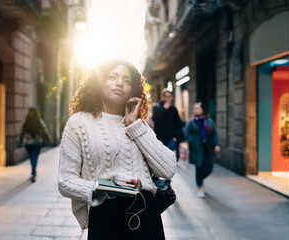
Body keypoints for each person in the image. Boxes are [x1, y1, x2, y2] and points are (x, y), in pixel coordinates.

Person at [58, 59, 176, 240]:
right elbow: (65, 181)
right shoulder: (79, 123)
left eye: (127, 81)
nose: (120, 83)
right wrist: (105, 188)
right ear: (100, 82)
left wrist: (135, 126)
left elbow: (168, 168)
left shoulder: (138, 124)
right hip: (106, 217)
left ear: (133, 90)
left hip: (145, 214)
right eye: (112, 77)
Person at [185, 102, 220, 197]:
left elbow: (214, 133)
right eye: (194, 108)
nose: (195, 110)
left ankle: (200, 179)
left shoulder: (208, 121)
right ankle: (200, 187)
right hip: (197, 149)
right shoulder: (192, 122)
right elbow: (187, 133)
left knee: (209, 168)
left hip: (208, 148)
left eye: (197, 108)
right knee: (199, 168)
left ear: (202, 110)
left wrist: (216, 144)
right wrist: (193, 142)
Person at [19, 107, 50, 183]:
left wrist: (20, 142)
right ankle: (33, 173)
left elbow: (21, 133)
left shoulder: (26, 123)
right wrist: (48, 139)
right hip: (37, 143)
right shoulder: (39, 122)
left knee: (32, 158)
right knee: (34, 158)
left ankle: (33, 172)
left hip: (28, 143)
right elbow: (45, 131)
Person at [152, 88, 184, 161]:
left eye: (170, 96)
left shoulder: (173, 109)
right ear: (162, 97)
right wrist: (164, 109)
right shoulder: (157, 107)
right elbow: (155, 120)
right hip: (160, 138)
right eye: (166, 96)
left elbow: (178, 123)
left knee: (168, 158)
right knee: (161, 158)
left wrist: (176, 137)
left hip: (171, 139)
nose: (168, 98)